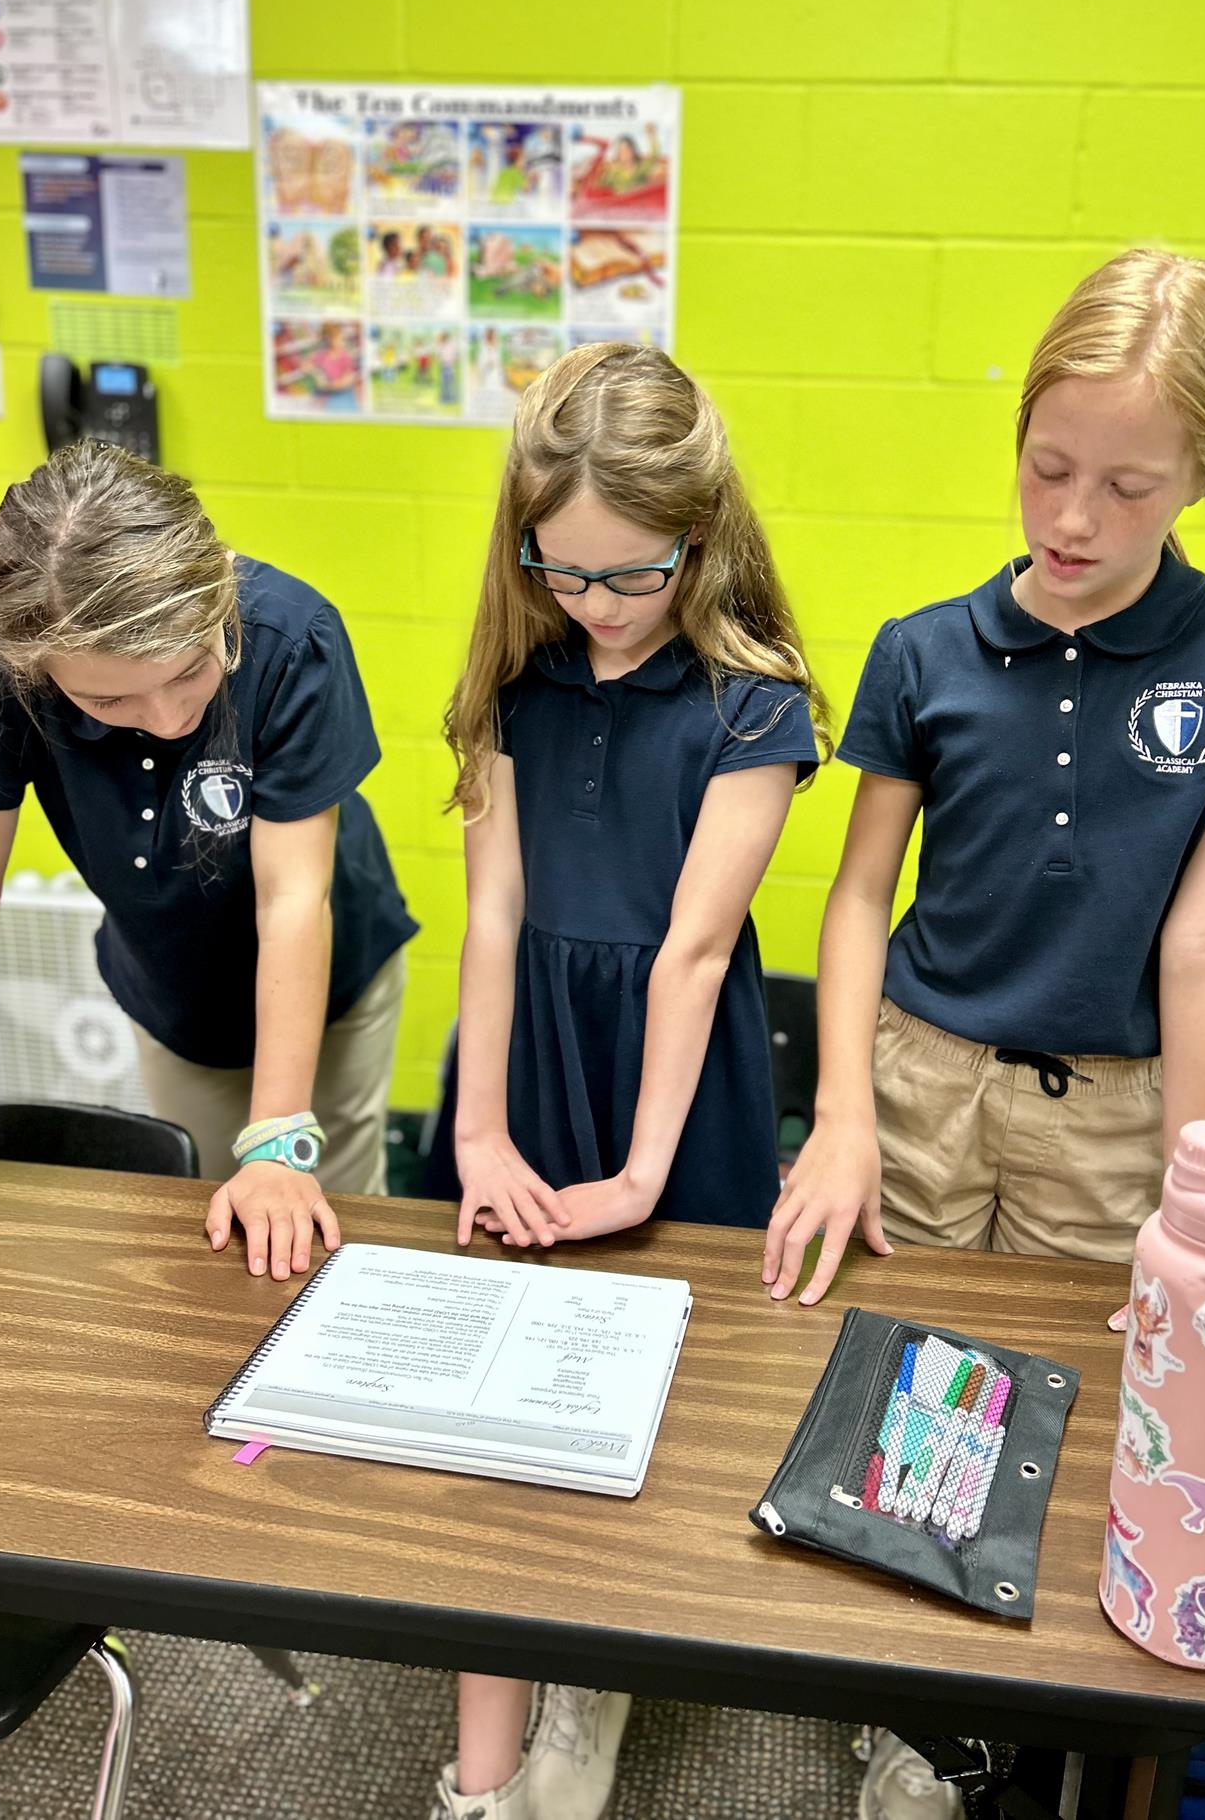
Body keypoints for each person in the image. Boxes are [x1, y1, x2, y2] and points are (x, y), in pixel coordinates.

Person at [759, 249, 1205, 1819]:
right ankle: (901, 1717)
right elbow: (857, 898)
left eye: (1128, 486)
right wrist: (843, 1117)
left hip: (1118, 1110)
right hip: (922, 1082)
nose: (1072, 519)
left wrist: (1193, 1188)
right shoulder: (922, 650)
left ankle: (1016, 1737)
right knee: (906, 1399)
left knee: (1079, 1427)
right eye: (1047, 467)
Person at [432, 340, 828, 1820]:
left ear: (702, 539)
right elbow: (490, 913)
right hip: (526, 1062)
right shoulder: (517, 678)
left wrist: (645, 1177)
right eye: (561, 572)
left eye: (629, 577)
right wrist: (477, 1125)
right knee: (496, 1402)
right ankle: (483, 1781)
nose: (590, 605)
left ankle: (595, 1674)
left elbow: (694, 952)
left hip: (669, 1078)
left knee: (646, 1390)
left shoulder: (752, 707)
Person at [0, 441, 417, 1277]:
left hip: (325, 962)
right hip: (168, 974)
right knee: (203, 1211)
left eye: (191, 671)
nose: (170, 718)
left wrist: (281, 1141)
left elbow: (292, 903)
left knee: (329, 1208)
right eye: (107, 700)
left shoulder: (294, 637)